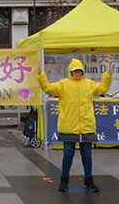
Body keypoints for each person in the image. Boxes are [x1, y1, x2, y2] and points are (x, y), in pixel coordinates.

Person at [38, 56, 113, 193]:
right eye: (75, 71)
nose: (77, 73)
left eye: (79, 70)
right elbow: (47, 88)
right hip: (69, 128)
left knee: (87, 155)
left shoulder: (89, 84)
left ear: (82, 71)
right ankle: (64, 181)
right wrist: (40, 74)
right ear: (70, 71)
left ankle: (89, 180)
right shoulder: (63, 85)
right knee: (67, 155)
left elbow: (103, 88)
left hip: (86, 127)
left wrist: (108, 73)